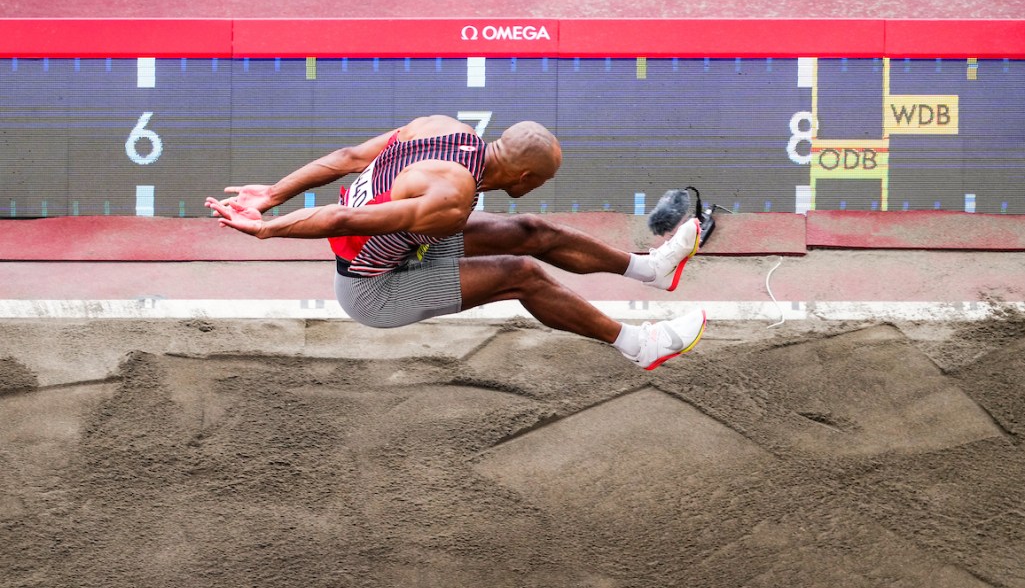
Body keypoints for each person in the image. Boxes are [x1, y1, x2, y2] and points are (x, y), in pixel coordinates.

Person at [204, 115, 706, 370]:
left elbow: (346, 156)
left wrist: (272, 192)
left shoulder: (443, 130)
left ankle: (652, 269)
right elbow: (341, 217)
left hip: (409, 247)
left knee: (532, 232)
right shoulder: (449, 197)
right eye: (541, 182)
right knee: (522, 274)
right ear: (526, 174)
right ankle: (639, 345)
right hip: (375, 290)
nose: (537, 188)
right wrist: (268, 226)